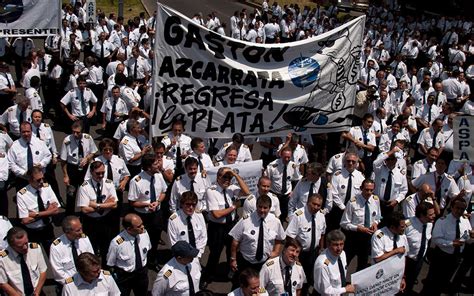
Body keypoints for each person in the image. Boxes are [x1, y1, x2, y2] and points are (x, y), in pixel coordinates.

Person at [203, 167, 250, 284]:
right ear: (218, 177)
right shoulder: (211, 191)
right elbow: (217, 214)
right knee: (215, 253)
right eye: (225, 177)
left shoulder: (231, 189)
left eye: (229, 178)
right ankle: (208, 276)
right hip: (217, 228)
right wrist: (234, 206)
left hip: (231, 226)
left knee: (232, 251)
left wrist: (235, 174)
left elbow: (247, 192)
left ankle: (231, 272)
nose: (227, 180)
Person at [423, 198, 473, 295]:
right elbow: (436, 239)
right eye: (457, 208)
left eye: (462, 209)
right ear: (452, 207)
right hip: (442, 257)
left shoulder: (465, 221)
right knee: (432, 283)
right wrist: (451, 243)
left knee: (444, 282)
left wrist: (470, 237)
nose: (459, 211)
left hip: (456, 257)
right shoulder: (442, 221)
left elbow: (467, 236)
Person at [229, 195, 286, 280]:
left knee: (260, 288)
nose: (262, 210)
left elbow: (280, 239)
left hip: (264, 263)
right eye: (260, 207)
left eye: (265, 208)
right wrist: (233, 259)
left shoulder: (275, 222)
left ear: (270, 208)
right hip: (245, 262)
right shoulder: (245, 220)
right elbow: (235, 241)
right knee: (240, 286)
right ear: (256, 206)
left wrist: (276, 252)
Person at [128, 153, 167, 266]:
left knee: (155, 239)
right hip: (143, 217)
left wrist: (158, 202)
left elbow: (163, 192)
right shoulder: (136, 181)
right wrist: (147, 205)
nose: (159, 164)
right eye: (156, 163)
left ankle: (152, 260)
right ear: (149, 167)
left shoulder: (159, 176)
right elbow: (132, 202)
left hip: (157, 214)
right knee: (141, 239)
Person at [77, 161, 118, 266]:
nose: (101, 175)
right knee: (92, 247)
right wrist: (106, 204)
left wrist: (96, 205)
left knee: (107, 247)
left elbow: (114, 205)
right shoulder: (84, 187)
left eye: (103, 173)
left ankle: (106, 267)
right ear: (91, 172)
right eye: (98, 173)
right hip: (91, 222)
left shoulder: (109, 183)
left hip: (106, 220)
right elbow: (85, 209)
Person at [286, 193, 326, 292]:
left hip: (314, 252)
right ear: (308, 202)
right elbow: (290, 237)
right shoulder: (298, 215)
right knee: (298, 278)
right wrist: (296, 254)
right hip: (301, 254)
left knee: (311, 276)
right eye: (314, 204)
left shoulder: (321, 216)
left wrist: (321, 249)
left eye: (318, 205)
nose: (316, 207)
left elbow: (322, 234)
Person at [17, 167, 60, 254]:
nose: (41, 182)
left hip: (47, 229)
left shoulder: (47, 187)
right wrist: (48, 212)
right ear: (30, 180)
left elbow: (56, 210)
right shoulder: (22, 195)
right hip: (32, 233)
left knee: (54, 255)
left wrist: (34, 214)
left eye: (43, 179)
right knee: (34, 260)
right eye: (38, 180)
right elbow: (25, 220)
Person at [107, 213, 151, 296]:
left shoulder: (144, 234)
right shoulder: (117, 243)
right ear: (129, 229)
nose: (142, 227)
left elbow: (148, 249)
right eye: (138, 226)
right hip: (125, 276)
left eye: (142, 224)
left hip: (141, 273)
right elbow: (110, 263)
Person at [60, 121, 98, 214]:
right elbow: (63, 161)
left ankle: (84, 214)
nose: (75, 134)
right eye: (73, 132)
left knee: (86, 192)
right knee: (71, 193)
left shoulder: (88, 138)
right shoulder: (67, 141)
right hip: (72, 169)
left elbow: (93, 152)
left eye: (78, 132)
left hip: (85, 169)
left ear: (83, 131)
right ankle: (69, 215)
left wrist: (87, 158)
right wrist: (65, 175)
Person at [0, 227, 47, 295]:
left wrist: (37, 292)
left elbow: (43, 272)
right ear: (11, 245)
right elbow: (3, 283)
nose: (25, 247)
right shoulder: (2, 259)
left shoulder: (35, 248)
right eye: (20, 246)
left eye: (26, 243)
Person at [49, 216, 94, 287]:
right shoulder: (56, 247)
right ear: (67, 232)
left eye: (81, 228)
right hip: (69, 284)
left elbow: (92, 260)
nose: (81, 232)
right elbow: (58, 273)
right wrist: (74, 284)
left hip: (88, 280)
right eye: (78, 230)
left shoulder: (84, 239)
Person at [326, 152, 365, 231]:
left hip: (353, 211)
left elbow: (361, 194)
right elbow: (333, 193)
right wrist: (343, 207)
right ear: (344, 162)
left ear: (357, 163)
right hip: (338, 209)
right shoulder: (337, 175)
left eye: (353, 162)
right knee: (334, 232)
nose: (350, 163)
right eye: (348, 161)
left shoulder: (360, 177)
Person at [7, 121, 51, 190]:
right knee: (23, 199)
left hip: (39, 178)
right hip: (23, 180)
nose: (26, 134)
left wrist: (41, 164)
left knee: (42, 198)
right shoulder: (14, 146)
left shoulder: (40, 143)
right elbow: (11, 163)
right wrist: (22, 173)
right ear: (20, 132)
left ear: (31, 131)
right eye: (23, 132)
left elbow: (48, 156)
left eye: (28, 131)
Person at [404, 202, 435, 294]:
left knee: (410, 283)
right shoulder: (407, 226)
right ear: (422, 215)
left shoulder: (429, 224)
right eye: (431, 214)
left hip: (419, 259)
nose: (434, 216)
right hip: (407, 261)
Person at [313, 230, 355, 296]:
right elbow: (326, 291)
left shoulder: (342, 254)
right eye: (336, 245)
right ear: (328, 245)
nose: (339, 248)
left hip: (338, 292)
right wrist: (345, 289)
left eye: (341, 244)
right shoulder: (323, 264)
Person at [168, 191, 208, 258]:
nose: (191, 207)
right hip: (181, 257)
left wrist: (198, 254)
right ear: (182, 204)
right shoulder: (173, 220)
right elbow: (173, 242)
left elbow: (203, 237)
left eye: (194, 205)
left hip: (197, 254)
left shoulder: (199, 216)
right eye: (188, 204)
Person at [264, 146, 299, 222]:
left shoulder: (293, 166)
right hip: (274, 194)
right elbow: (266, 179)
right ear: (281, 155)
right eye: (285, 157)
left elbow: (296, 179)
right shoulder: (272, 166)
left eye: (289, 157)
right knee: (273, 216)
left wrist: (293, 191)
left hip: (287, 196)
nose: (287, 159)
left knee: (284, 217)